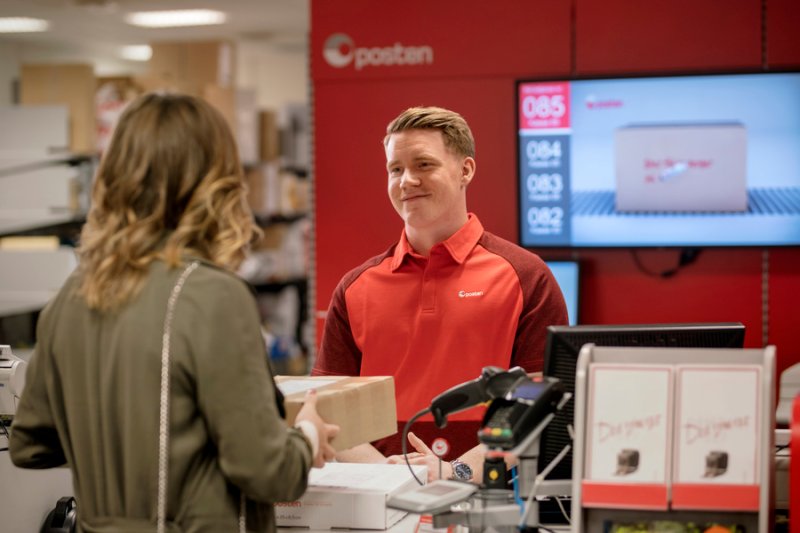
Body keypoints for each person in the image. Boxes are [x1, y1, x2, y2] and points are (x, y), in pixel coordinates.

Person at [10, 93, 338, 532]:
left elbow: (31, 445)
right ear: (216, 181)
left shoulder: (71, 298)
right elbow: (267, 471)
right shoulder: (213, 296)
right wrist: (309, 435)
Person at [312, 106, 568, 483]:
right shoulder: (355, 287)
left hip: (489, 497)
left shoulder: (526, 275)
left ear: (466, 170)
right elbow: (328, 407)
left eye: (424, 165)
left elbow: (539, 399)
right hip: (380, 497)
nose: (406, 181)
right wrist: (388, 476)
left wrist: (459, 472)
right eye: (395, 169)